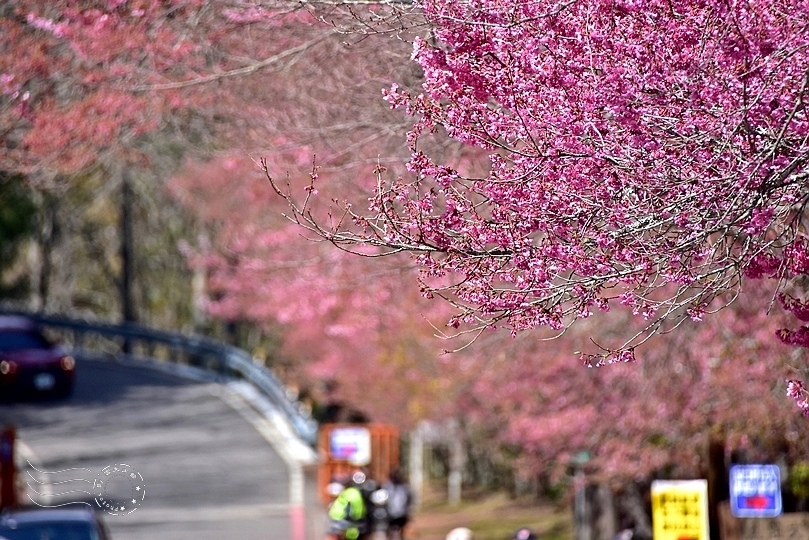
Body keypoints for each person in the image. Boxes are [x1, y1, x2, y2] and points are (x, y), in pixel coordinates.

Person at [327, 471, 371, 540]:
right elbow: (357, 511)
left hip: (337, 519)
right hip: (348, 521)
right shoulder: (354, 493)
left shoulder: (346, 492)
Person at [383, 468, 413, 539]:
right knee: (393, 531)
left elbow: (410, 499)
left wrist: (408, 510)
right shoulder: (387, 486)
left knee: (400, 531)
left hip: (402, 514)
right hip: (390, 514)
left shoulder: (405, 487)